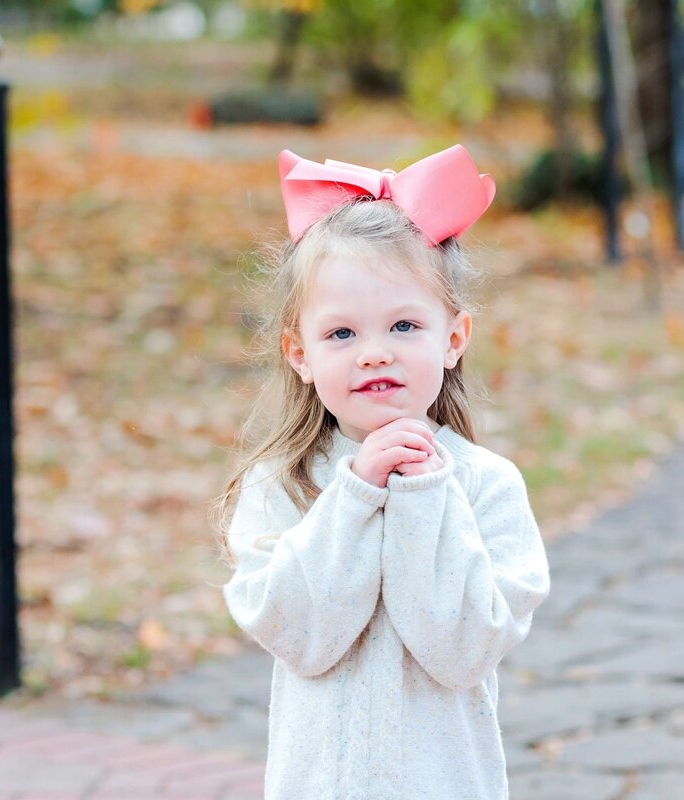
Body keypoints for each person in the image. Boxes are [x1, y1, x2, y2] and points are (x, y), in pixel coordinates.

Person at [211, 144, 551, 800]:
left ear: (453, 338)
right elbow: (302, 636)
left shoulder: (487, 487)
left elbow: (460, 652)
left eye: (402, 324)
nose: (373, 354)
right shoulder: (281, 485)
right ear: (298, 351)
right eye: (341, 334)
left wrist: (424, 492)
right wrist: (356, 494)